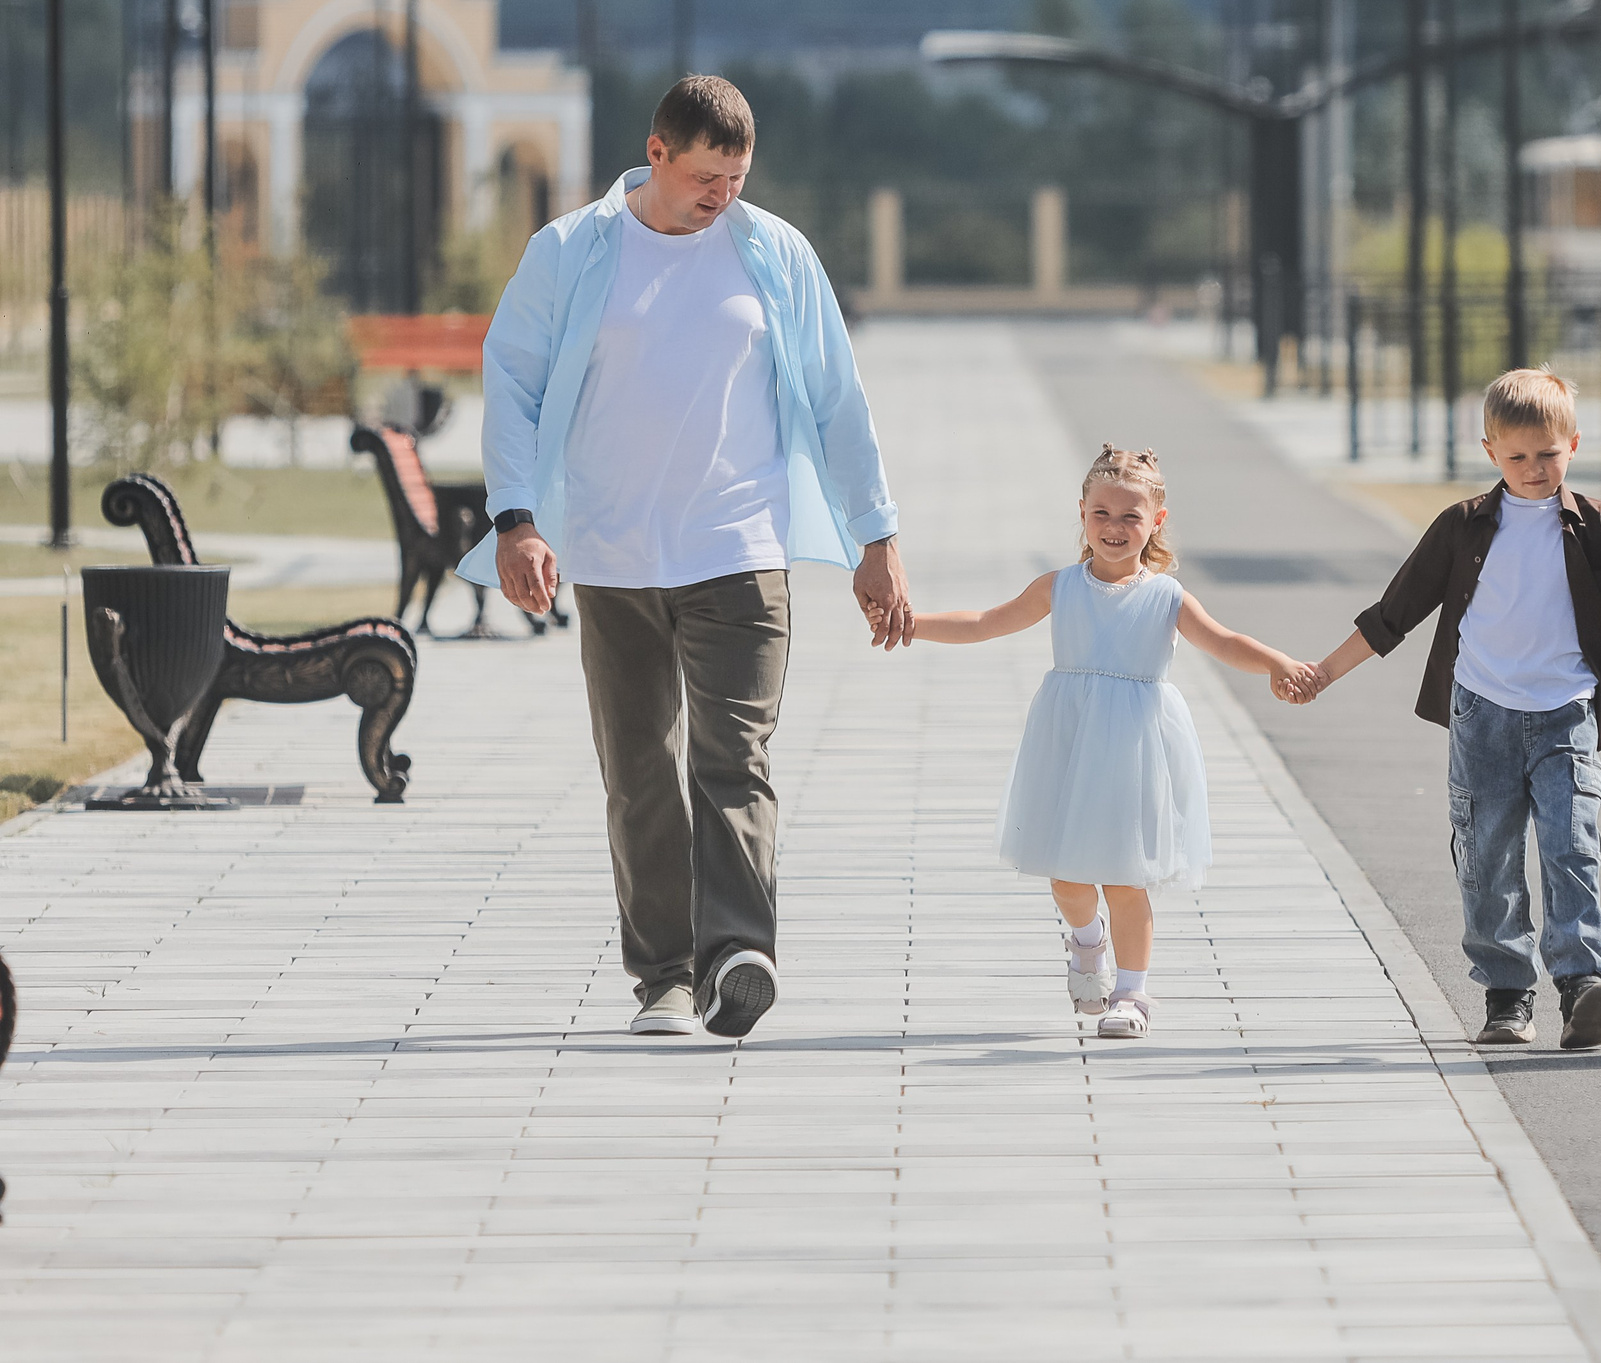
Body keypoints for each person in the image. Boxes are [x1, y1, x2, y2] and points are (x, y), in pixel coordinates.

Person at [459, 75, 914, 1042]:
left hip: (740, 552)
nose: (723, 197)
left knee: (732, 755)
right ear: (657, 152)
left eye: (738, 178)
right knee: (638, 769)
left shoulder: (773, 252)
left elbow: (838, 396)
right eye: (708, 176)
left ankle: (739, 951)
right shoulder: (574, 251)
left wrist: (877, 536)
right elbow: (513, 380)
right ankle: (664, 973)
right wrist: (517, 518)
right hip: (614, 555)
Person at [1306, 370, 1601, 1051]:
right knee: (1486, 858)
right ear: (1491, 451)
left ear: (1573, 443)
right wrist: (1324, 671)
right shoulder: (1461, 528)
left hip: (1566, 715)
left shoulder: (1595, 524)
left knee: (1573, 848)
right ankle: (1507, 997)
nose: (1535, 469)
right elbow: (1395, 613)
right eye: (1518, 456)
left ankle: (1583, 985)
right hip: (1483, 715)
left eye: (1548, 453)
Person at [904, 445, 1322, 1039]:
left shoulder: (1166, 596)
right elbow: (984, 622)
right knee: (1068, 878)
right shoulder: (1059, 586)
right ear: (1081, 514)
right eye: (1102, 514)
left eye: (1131, 516)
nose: (1115, 528)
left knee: (1126, 876)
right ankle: (1086, 940)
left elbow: (1225, 642)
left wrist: (1277, 662)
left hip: (1134, 750)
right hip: (1069, 742)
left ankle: (1132, 994)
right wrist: (911, 623)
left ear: (1157, 521)